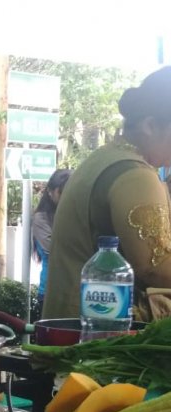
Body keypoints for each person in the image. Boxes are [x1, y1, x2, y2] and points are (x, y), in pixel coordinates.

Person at [43, 66, 171, 319]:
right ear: (150, 125)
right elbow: (156, 267)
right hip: (99, 341)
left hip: (71, 332)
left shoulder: (104, 159)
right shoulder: (135, 175)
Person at [31, 168, 71, 318]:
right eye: (61, 192)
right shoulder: (41, 218)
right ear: (50, 191)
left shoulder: (76, 213)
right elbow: (54, 249)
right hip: (51, 292)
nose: (66, 197)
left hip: (74, 291)